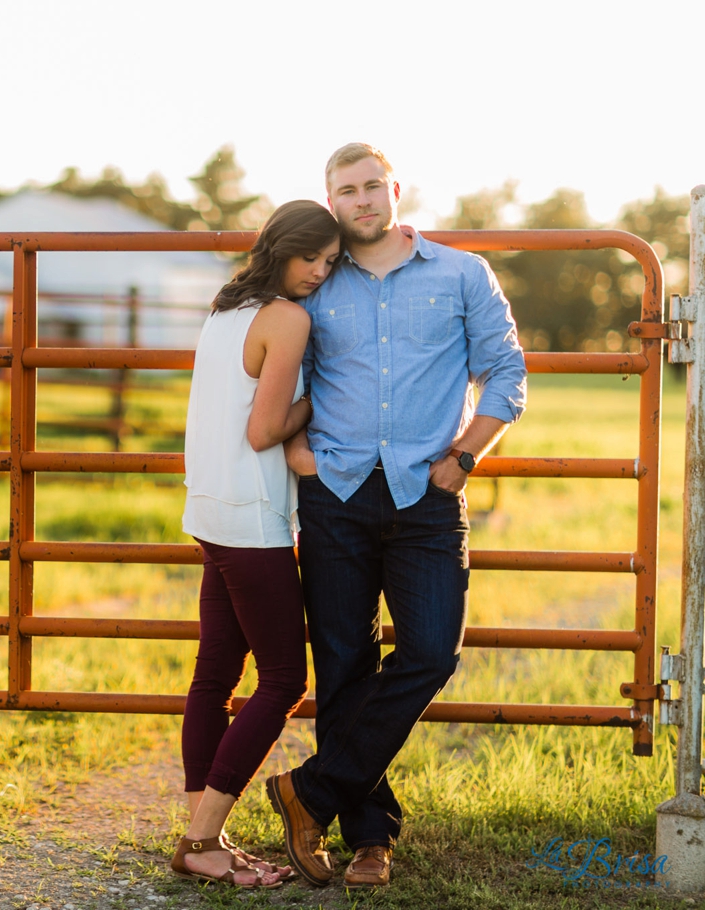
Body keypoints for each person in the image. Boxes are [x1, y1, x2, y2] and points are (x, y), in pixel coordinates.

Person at [265, 143, 528, 890]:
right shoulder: (314, 281)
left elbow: (506, 369)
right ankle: (367, 840)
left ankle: (308, 791)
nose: (361, 201)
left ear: (395, 190)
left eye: (371, 186)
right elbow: (284, 369)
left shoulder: (459, 273)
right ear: (330, 200)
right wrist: (296, 452)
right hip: (335, 495)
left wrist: (467, 456)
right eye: (344, 191)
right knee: (343, 662)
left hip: (428, 495)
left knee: (430, 653)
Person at [171, 200, 341, 890]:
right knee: (282, 682)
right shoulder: (288, 318)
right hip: (250, 519)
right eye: (311, 259)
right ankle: (199, 838)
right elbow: (262, 430)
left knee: (214, 675)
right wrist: (323, 398)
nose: (319, 274)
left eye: (331, 263)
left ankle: (201, 835)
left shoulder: (226, 307)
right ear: (280, 249)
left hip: (209, 508)